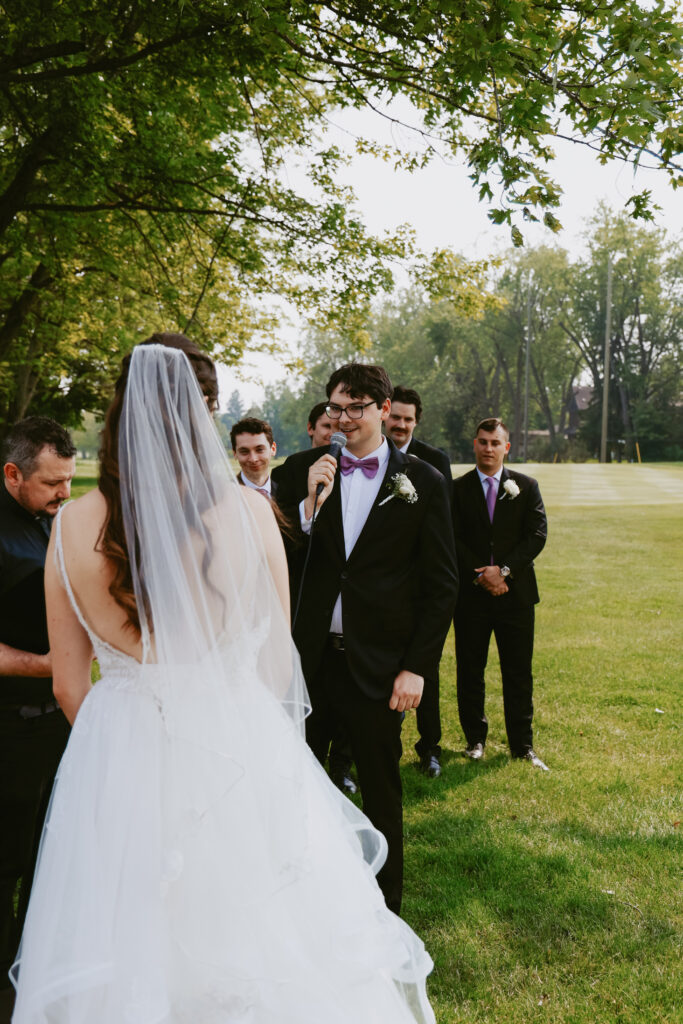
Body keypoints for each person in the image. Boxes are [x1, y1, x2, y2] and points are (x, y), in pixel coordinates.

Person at [10, 334, 436, 1024]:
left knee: (126, 940)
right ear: (199, 416)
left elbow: (66, 683)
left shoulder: (71, 526)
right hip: (236, 739)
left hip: (118, 750)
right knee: (263, 935)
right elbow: (277, 661)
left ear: (121, 416)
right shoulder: (246, 512)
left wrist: (115, 761)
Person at [276, 363, 458, 915]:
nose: (344, 419)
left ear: (383, 409)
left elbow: (441, 584)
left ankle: (384, 909)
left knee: (381, 790)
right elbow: (277, 564)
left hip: (380, 666)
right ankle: (303, 902)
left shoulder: (422, 482)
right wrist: (309, 511)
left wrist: (416, 667)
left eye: (356, 408)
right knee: (297, 787)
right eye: (336, 407)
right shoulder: (302, 471)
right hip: (309, 663)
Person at [0, 418, 75, 1019]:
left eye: (69, 481)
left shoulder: (53, 524)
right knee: (6, 867)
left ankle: (34, 974)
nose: (65, 494)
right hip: (6, 730)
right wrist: (47, 665)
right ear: (12, 474)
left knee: (54, 861)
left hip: (59, 724)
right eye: (53, 483)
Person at [451, 417, 549, 769]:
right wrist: (481, 574)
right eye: (483, 442)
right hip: (472, 596)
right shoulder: (457, 489)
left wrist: (503, 571)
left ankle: (523, 746)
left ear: (506, 447)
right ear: (474, 444)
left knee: (518, 672)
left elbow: (536, 535)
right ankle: (475, 740)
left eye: (495, 443)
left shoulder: (526, 485)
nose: (488, 448)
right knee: (470, 670)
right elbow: (451, 538)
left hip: (516, 595)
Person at [385, 386, 452, 779]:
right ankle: (382, 748)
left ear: (416, 421)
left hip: (424, 587)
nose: (402, 425)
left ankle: (430, 748)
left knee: (426, 668)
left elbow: (445, 529)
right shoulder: (374, 459)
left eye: (409, 420)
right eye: (397, 418)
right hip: (389, 585)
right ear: (386, 415)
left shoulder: (435, 461)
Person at [230, 416, 278, 498]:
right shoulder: (225, 495)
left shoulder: (288, 494)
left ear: (273, 449)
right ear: (235, 453)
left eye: (259, 450)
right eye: (244, 451)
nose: (253, 459)